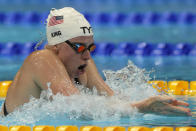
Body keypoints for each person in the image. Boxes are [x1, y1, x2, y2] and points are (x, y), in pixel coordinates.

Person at [1, 7, 191, 116]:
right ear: (56, 45)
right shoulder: (41, 60)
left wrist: (154, 106)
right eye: (80, 47)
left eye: (91, 47)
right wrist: (140, 107)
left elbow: (111, 99)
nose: (88, 56)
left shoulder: (82, 63)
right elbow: (78, 106)